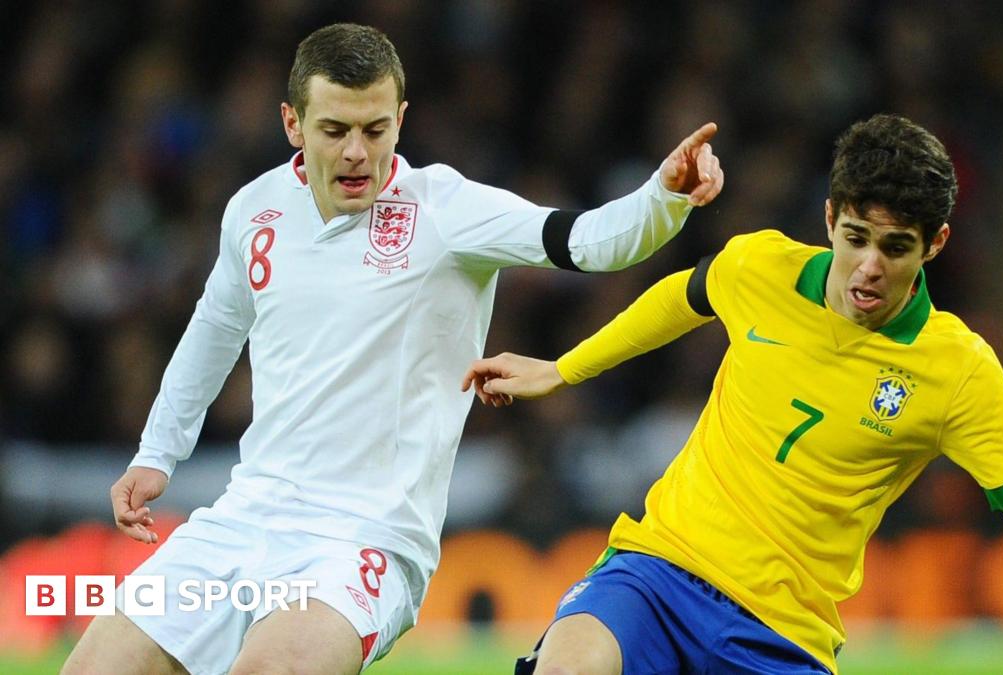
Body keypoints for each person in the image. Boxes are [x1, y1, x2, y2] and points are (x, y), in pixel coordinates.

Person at [62, 22, 724, 675]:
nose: (356, 151)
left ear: (400, 120)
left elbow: (587, 240)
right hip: (245, 514)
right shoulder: (253, 210)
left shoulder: (444, 209)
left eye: (374, 129)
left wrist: (661, 196)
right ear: (293, 123)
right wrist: (157, 453)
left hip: (363, 537)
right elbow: (213, 331)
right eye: (335, 130)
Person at [463, 114, 1003, 675]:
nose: (869, 266)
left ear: (936, 244)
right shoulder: (761, 267)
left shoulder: (958, 370)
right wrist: (566, 368)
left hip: (782, 635)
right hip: (658, 571)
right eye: (856, 238)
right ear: (830, 216)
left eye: (897, 247)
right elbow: (686, 296)